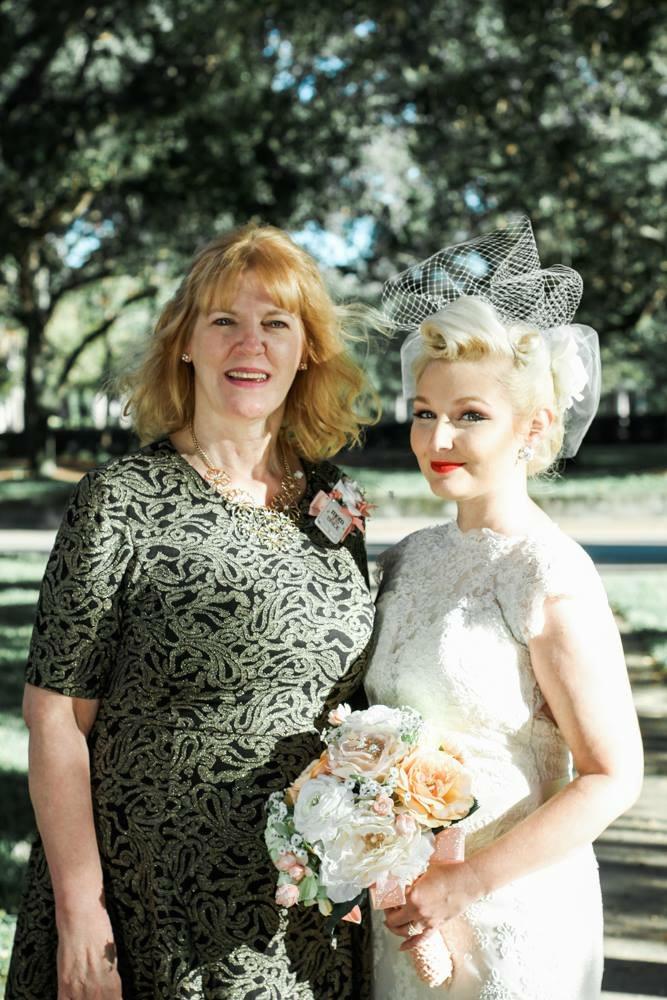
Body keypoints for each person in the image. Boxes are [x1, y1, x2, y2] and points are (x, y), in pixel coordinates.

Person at [8, 223, 378, 1000]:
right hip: (149, 901)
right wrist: (83, 914)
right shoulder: (119, 501)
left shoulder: (331, 500)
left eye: (276, 323)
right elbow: (53, 718)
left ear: (307, 349)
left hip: (295, 912)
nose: (251, 344)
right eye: (224, 321)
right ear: (185, 342)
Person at [365, 218, 643, 1000]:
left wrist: (465, 884)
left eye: (469, 415)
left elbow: (611, 776)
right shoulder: (407, 556)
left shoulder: (550, 574)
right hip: (404, 914)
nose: (436, 437)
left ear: (535, 427)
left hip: (514, 917)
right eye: (423, 411)